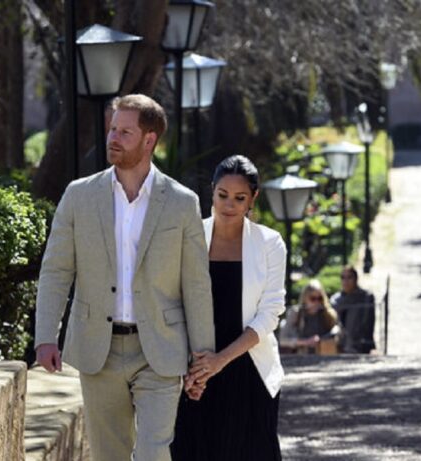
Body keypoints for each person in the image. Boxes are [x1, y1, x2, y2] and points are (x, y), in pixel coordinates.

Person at [34, 94, 215, 461]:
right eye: (112, 129)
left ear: (150, 140)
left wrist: (203, 355)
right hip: (97, 347)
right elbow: (56, 270)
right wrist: (45, 337)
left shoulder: (182, 202)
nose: (113, 138)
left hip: (160, 348)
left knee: (152, 452)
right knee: (109, 455)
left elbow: (196, 284)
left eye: (125, 132)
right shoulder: (79, 196)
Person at [171, 155, 286, 461]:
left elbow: (270, 313)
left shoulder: (270, 243)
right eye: (222, 195)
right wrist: (194, 369)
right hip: (196, 367)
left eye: (239, 198)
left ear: (253, 198)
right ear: (212, 190)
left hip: (249, 369)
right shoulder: (190, 237)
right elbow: (173, 303)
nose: (229, 205)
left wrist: (220, 361)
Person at [279, 280, 340, 354]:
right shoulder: (296, 313)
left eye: (320, 298)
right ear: (305, 298)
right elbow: (283, 340)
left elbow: (338, 333)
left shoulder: (328, 314)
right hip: (301, 356)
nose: (317, 302)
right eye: (313, 298)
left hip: (324, 355)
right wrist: (306, 342)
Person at [330, 266, 376, 353]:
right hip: (340, 346)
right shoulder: (335, 300)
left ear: (356, 279)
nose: (346, 281)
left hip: (360, 346)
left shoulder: (366, 297)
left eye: (349, 277)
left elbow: (368, 324)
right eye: (343, 278)